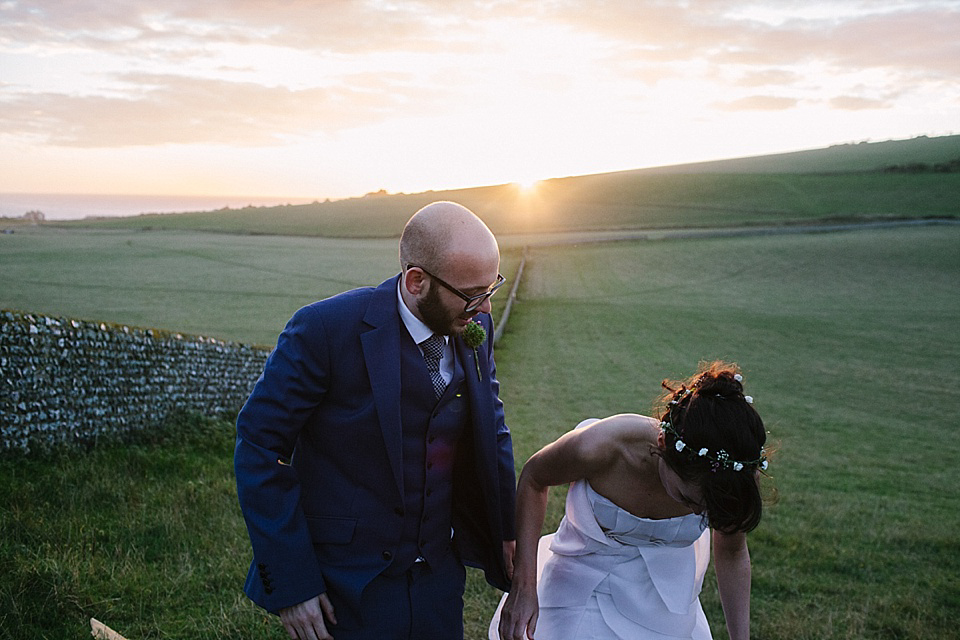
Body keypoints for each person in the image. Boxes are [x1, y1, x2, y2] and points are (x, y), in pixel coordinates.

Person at [235, 201, 517, 640]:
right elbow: (258, 447)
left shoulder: (473, 328)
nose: (482, 308)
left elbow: (492, 429)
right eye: (470, 294)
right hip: (345, 586)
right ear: (416, 280)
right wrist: (293, 584)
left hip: (438, 584)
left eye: (490, 289)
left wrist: (506, 530)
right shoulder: (324, 330)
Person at [492, 362, 769, 640]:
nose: (699, 513)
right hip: (577, 588)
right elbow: (534, 478)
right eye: (688, 499)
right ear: (662, 446)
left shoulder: (733, 476)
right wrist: (524, 588)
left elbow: (732, 552)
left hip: (665, 610)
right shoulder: (604, 446)